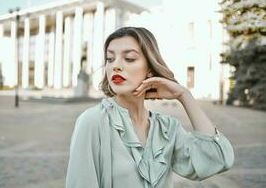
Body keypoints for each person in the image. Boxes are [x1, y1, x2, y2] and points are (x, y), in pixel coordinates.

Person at [65, 27, 234, 188]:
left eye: (129, 58)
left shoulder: (166, 128)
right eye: (110, 59)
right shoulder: (93, 121)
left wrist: (184, 96)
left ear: (150, 70)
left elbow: (217, 160)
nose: (115, 66)